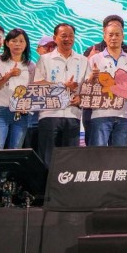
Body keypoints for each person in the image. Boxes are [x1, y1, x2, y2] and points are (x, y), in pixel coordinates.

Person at [34, 23, 88, 167]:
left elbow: (87, 85)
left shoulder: (83, 60)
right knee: (47, 158)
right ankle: (45, 182)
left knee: (70, 159)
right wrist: (62, 85)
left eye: (71, 36)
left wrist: (81, 97)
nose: (68, 39)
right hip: (49, 114)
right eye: (64, 36)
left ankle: (66, 183)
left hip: (73, 114)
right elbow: (38, 84)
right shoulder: (45, 59)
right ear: (55, 38)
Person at [83, 15, 127, 145]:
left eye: (117, 34)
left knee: (119, 154)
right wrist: (92, 77)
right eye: (110, 35)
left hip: (124, 115)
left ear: (123, 37)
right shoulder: (94, 58)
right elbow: (84, 87)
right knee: (98, 153)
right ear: (104, 37)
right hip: (100, 115)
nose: (114, 38)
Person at [0, 28, 35, 149]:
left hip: (21, 113)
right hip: (0, 110)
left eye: (21, 41)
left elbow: (32, 90)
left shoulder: (31, 66)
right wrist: (8, 76)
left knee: (16, 148)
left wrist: (27, 105)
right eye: (14, 40)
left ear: (26, 44)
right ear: (7, 43)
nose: (18, 44)